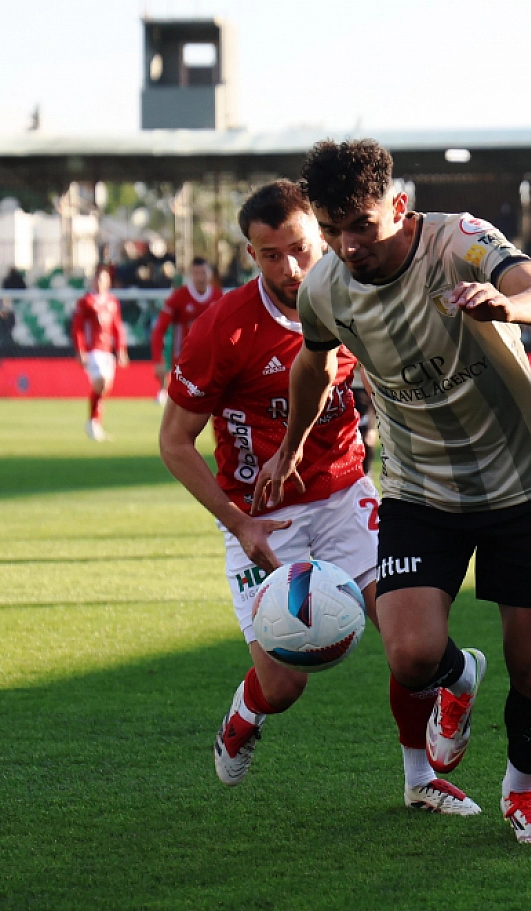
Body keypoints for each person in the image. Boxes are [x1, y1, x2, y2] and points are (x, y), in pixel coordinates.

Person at [259, 139, 531, 844]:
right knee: (410, 655)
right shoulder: (324, 288)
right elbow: (313, 363)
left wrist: (508, 303)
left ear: (399, 207)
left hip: (524, 482)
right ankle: (459, 684)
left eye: (362, 226)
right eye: (333, 230)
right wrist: (292, 443)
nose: (348, 245)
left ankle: (522, 791)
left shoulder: (458, 241)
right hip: (419, 489)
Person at [156, 181, 425, 802]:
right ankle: (244, 716)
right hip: (263, 519)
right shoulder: (222, 329)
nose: (291, 268)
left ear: (322, 238)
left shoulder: (356, 292)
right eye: (271, 255)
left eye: (300, 248)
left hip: (345, 493)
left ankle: (421, 779)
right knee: (284, 686)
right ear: (251, 254)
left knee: (412, 643)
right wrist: (238, 522)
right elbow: (174, 442)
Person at [150, 256, 219, 406]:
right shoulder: (179, 297)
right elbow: (159, 329)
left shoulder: (218, 297)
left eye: (203, 273)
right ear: (190, 275)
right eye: (196, 273)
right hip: (183, 360)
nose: (200, 278)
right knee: (182, 406)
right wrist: (157, 359)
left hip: (210, 360)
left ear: (210, 274)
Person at [71, 265, 128, 440]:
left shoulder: (112, 302)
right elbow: (77, 327)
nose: (100, 282)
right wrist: (80, 350)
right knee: (101, 382)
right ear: (93, 280)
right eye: (97, 278)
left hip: (107, 350)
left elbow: (117, 326)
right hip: (92, 350)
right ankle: (93, 423)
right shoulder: (86, 301)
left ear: (108, 281)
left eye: (103, 279)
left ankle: (94, 422)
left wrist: (121, 349)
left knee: (104, 388)